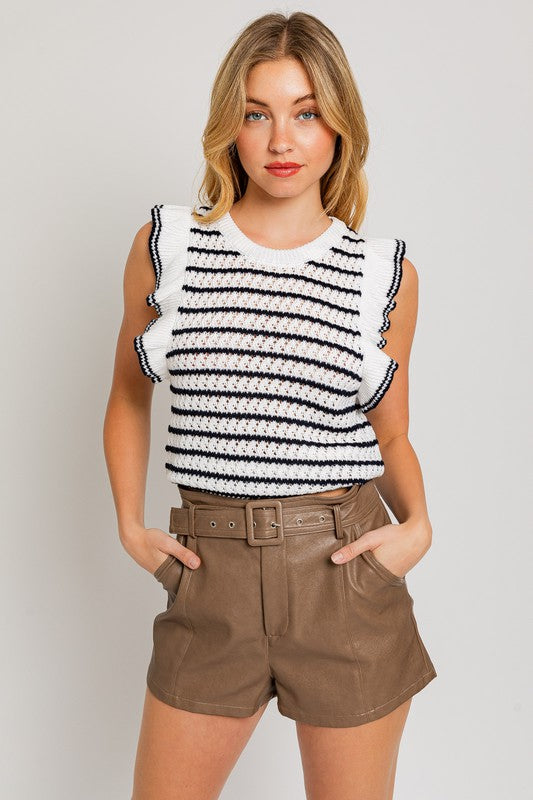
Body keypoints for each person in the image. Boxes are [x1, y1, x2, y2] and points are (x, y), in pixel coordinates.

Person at [104, 11, 437, 800]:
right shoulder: (169, 246)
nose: (281, 140)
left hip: (341, 574)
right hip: (210, 573)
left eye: (306, 112)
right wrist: (128, 526)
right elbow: (126, 393)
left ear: (338, 128)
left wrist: (416, 527)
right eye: (257, 113)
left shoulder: (380, 274)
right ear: (230, 125)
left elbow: (391, 434)